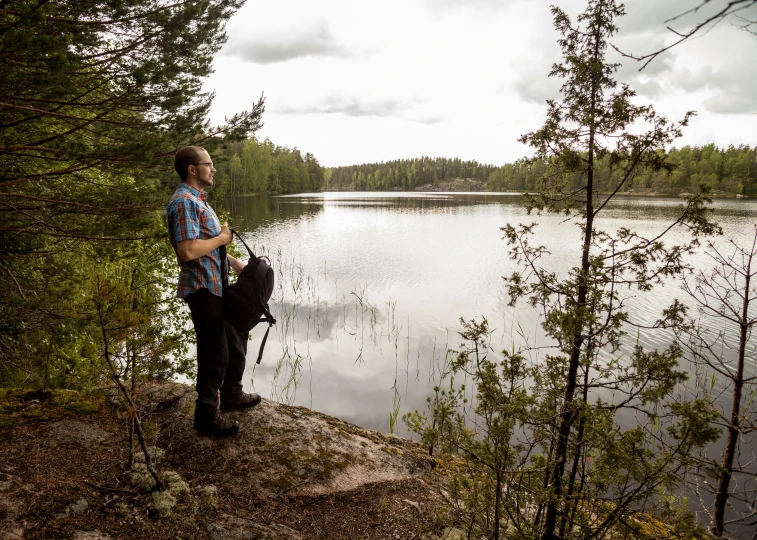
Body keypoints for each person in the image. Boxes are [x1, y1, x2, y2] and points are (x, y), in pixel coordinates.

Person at [166, 145, 261, 436]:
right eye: (209, 164)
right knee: (214, 352)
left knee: (235, 339)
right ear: (192, 169)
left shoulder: (200, 201)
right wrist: (222, 239)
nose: (214, 169)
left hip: (217, 285)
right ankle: (206, 416)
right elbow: (187, 250)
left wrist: (233, 262)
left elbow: (206, 243)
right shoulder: (184, 202)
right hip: (202, 289)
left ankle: (231, 394)